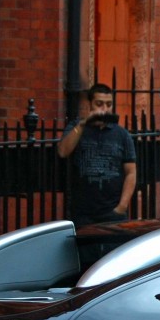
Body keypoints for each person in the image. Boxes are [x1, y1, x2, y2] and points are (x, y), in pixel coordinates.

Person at [57, 83, 137, 228]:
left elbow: (131, 172)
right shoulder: (76, 127)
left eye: (109, 104)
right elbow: (63, 151)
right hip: (82, 212)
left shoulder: (122, 134)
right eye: (99, 104)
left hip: (112, 212)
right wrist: (82, 124)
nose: (104, 109)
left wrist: (121, 207)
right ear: (89, 104)